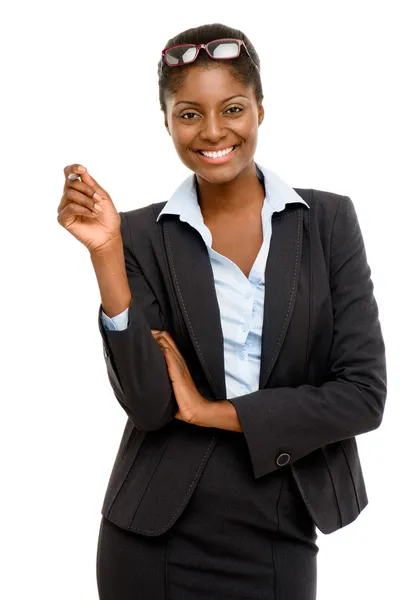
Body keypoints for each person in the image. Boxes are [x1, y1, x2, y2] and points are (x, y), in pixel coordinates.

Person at [57, 22, 387, 600]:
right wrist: (106, 255)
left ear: (260, 108)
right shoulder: (137, 234)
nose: (212, 131)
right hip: (152, 534)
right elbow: (151, 404)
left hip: (282, 522)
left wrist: (215, 413)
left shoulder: (329, 222)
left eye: (232, 108)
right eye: (188, 114)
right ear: (166, 120)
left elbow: (363, 395)